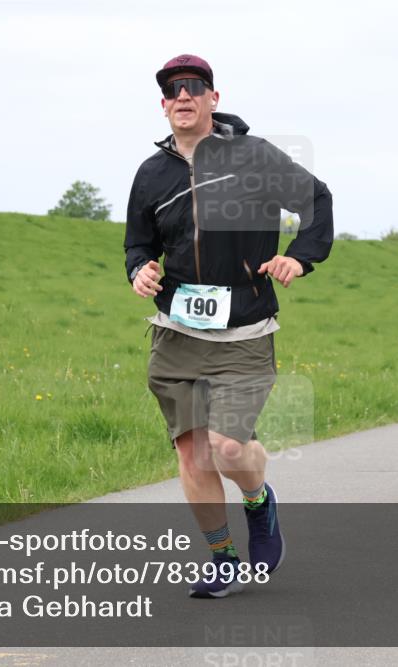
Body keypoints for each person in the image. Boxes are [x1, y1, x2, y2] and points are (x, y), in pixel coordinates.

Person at [125, 55, 333, 597]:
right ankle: (222, 557)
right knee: (192, 452)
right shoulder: (151, 174)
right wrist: (139, 270)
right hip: (176, 332)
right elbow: (139, 243)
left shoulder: (253, 155)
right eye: (173, 91)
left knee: (228, 448)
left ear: (214, 99)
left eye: (194, 87)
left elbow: (316, 200)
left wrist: (300, 257)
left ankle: (260, 502)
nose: (183, 96)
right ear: (164, 105)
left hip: (244, 330)